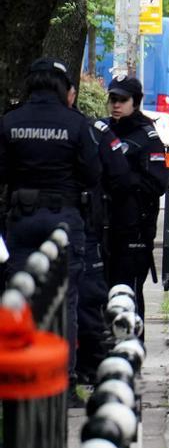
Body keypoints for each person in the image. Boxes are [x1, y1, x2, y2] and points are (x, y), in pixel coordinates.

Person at [0, 58, 101, 372]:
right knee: (66, 300)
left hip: (21, 218)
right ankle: (63, 381)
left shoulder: (10, 121)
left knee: (20, 296)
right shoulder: (75, 123)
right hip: (64, 220)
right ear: (63, 87)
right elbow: (93, 174)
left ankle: (22, 376)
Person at [74, 79, 131, 384]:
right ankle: (90, 366)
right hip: (82, 226)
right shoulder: (90, 129)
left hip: (24, 224)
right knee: (87, 298)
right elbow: (119, 174)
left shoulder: (13, 122)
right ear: (71, 95)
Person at [104, 76, 169, 323]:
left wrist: (123, 180)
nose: (116, 105)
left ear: (136, 102)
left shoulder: (147, 136)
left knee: (128, 292)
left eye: (123, 100)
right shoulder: (102, 130)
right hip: (103, 226)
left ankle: (131, 347)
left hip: (134, 229)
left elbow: (157, 183)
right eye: (113, 99)